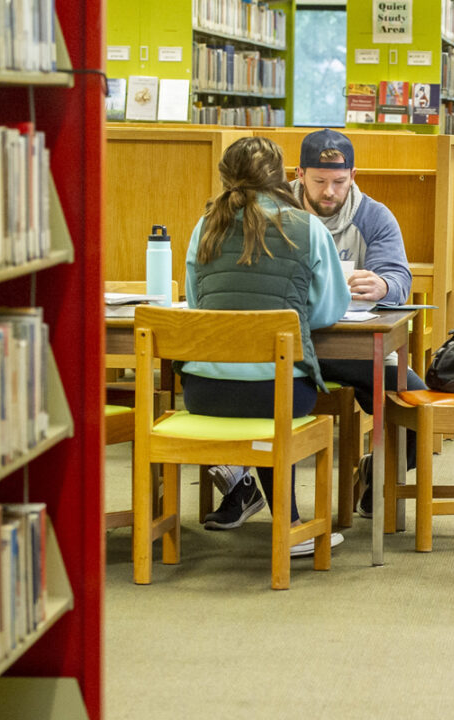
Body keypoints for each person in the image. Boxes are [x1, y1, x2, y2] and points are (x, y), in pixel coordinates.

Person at [208, 129, 425, 523]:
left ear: (353, 175)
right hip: (283, 348)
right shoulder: (273, 212)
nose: (330, 192)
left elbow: (399, 278)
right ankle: (243, 487)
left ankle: (378, 471)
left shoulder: (374, 217)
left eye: (340, 182)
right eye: (319, 182)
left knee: (415, 400)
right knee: (266, 394)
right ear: (298, 174)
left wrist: (385, 285)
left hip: (348, 347)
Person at [182, 136, 350, 556]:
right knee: (274, 398)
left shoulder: (204, 226)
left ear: (224, 177)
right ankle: (290, 525)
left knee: (259, 399)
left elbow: (195, 305)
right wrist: (281, 324)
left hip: (204, 392)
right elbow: (329, 309)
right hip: (278, 391)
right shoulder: (308, 229)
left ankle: (263, 504)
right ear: (281, 179)